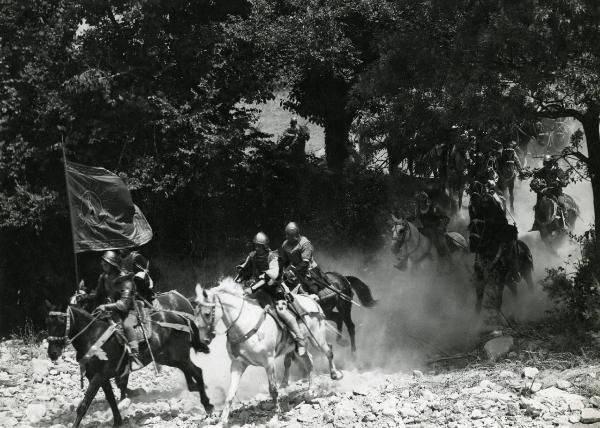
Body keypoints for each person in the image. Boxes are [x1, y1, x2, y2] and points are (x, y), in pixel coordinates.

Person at [236, 232, 306, 355]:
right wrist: (241, 272)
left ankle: (300, 340)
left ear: (265, 246)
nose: (257, 248)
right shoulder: (252, 256)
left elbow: (270, 276)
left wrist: (252, 289)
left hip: (273, 289)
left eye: (259, 246)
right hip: (257, 291)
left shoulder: (272, 257)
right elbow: (245, 269)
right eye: (256, 246)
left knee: (281, 311)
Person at [90, 251, 142, 369]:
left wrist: (106, 306)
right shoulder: (103, 277)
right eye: (102, 264)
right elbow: (98, 295)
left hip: (129, 311)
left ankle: (135, 356)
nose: (103, 266)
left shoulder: (126, 281)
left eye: (105, 264)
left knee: (127, 325)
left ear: (113, 265)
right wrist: (84, 296)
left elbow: (124, 305)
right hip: (111, 310)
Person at [410, 191, 450, 259]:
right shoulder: (418, 211)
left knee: (441, 242)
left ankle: (445, 256)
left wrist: (441, 226)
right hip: (424, 230)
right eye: (419, 202)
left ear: (426, 201)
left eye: (422, 201)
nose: (420, 204)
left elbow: (446, 218)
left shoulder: (434, 208)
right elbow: (414, 220)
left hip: (436, 230)